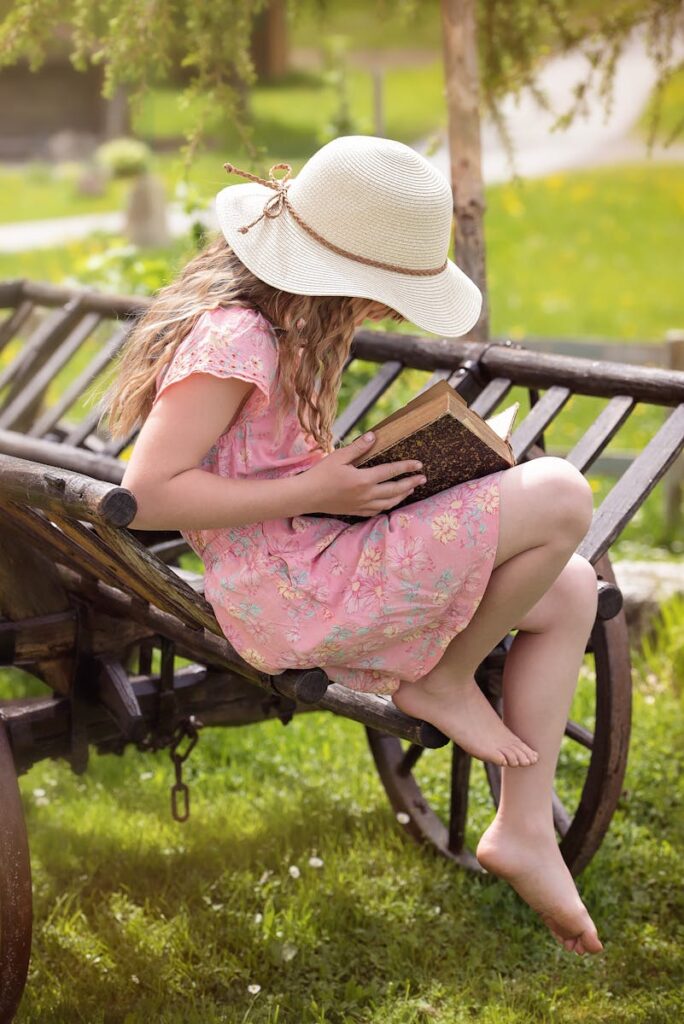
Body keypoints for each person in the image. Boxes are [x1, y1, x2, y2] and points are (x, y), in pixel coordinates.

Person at [105, 135, 603, 956]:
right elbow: (148, 493)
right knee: (560, 493)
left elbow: (268, 463)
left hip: (319, 556)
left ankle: (523, 830)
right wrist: (318, 489)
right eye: (381, 292)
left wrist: (359, 475)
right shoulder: (238, 339)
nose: (385, 312)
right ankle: (441, 678)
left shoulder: (295, 329)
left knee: (572, 588)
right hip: (288, 595)